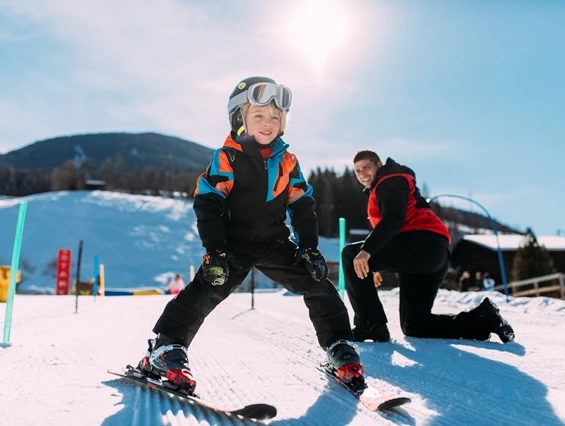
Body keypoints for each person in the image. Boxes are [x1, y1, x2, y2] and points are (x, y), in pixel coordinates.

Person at [135, 77, 364, 394]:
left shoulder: (288, 161)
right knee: (207, 288)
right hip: (234, 245)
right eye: (259, 116)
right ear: (240, 118)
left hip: (274, 244)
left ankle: (339, 347)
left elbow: (302, 205)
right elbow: (208, 202)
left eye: (275, 117)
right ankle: (164, 349)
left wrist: (310, 248)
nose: (268, 123)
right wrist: (215, 250)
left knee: (317, 284)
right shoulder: (227, 157)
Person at [341, 149, 515, 344]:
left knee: (351, 254)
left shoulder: (389, 181)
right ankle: (483, 319)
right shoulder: (388, 185)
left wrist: (367, 251)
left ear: (379, 166)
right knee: (414, 325)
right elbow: (393, 226)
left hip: (420, 245)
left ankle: (371, 326)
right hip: (431, 254)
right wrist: (375, 264)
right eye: (357, 171)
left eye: (366, 167)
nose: (362, 173)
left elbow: (394, 219)